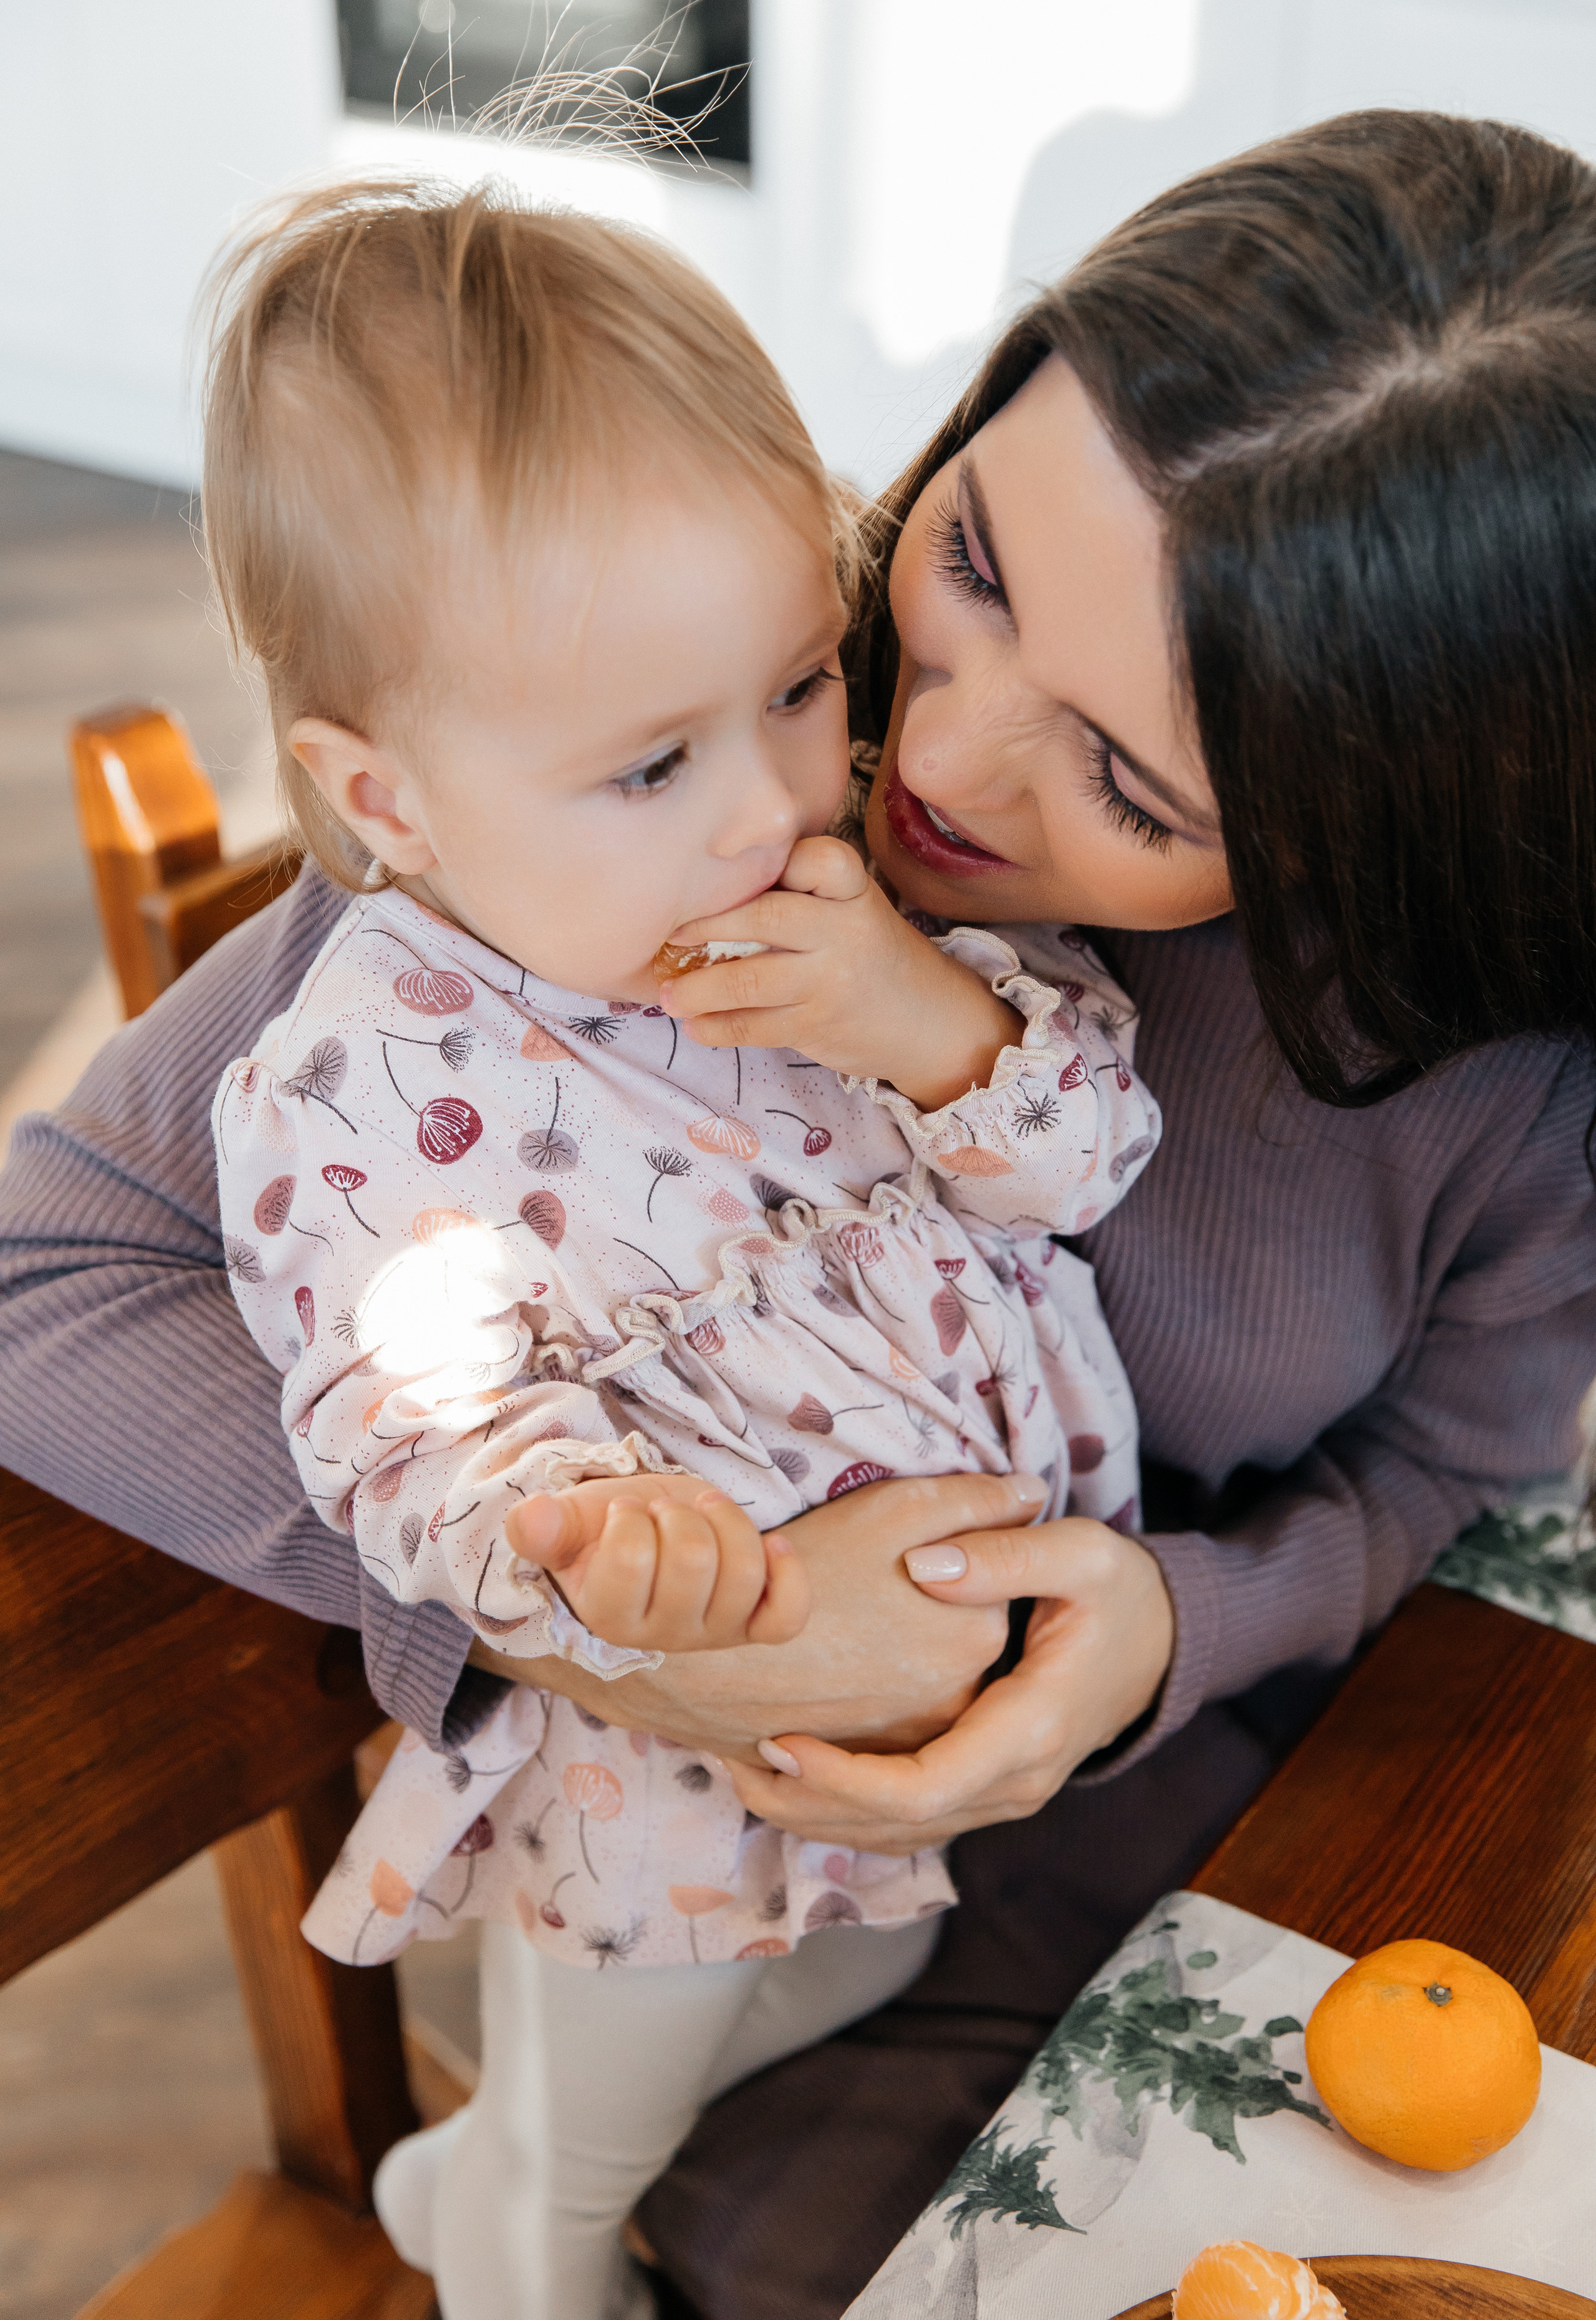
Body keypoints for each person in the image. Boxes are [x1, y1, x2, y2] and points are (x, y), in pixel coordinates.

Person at [2, 107, 1592, 2319]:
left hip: (1206, 1805)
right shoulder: (636, 763)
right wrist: (587, 1616)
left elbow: (1463, 1471)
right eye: (969, 567)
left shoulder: (1499, 1061)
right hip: (727, 1858)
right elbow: (43, 1275)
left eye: (1132, 784)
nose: (918, 768)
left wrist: (1160, 1629)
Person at [198, 175, 1159, 2319]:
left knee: (870, 1961)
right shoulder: (354, 1084)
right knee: (595, 2159)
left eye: (804, 685)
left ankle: (484, 2175)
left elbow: (1086, 1156)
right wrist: (566, 1525)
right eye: (651, 763)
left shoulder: (857, 911)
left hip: (935, 1739)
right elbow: (400, 1394)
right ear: (394, 802)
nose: (768, 806)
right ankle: (510, 2246)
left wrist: (928, 1027)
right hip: (669, 1778)